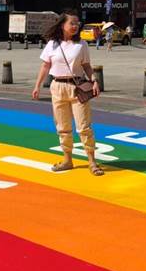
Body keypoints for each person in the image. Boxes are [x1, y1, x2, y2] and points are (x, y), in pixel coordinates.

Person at [32, 11, 104, 176]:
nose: (75, 26)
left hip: (77, 87)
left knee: (84, 127)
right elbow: (45, 66)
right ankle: (67, 160)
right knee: (62, 127)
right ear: (62, 25)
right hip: (57, 86)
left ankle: (92, 162)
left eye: (77, 23)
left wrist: (94, 80)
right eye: (72, 23)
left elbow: (86, 66)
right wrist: (37, 86)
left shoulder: (82, 45)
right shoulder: (52, 44)